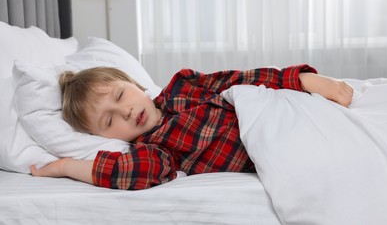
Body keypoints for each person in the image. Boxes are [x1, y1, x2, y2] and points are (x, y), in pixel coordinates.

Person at [31, 65, 353, 190]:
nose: (127, 112)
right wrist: (65, 166)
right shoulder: (154, 151)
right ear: (103, 137)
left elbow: (237, 81)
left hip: (287, 113)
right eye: (110, 121)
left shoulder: (182, 86)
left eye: (119, 95)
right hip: (284, 148)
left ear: (131, 83)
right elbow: (127, 172)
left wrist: (305, 80)